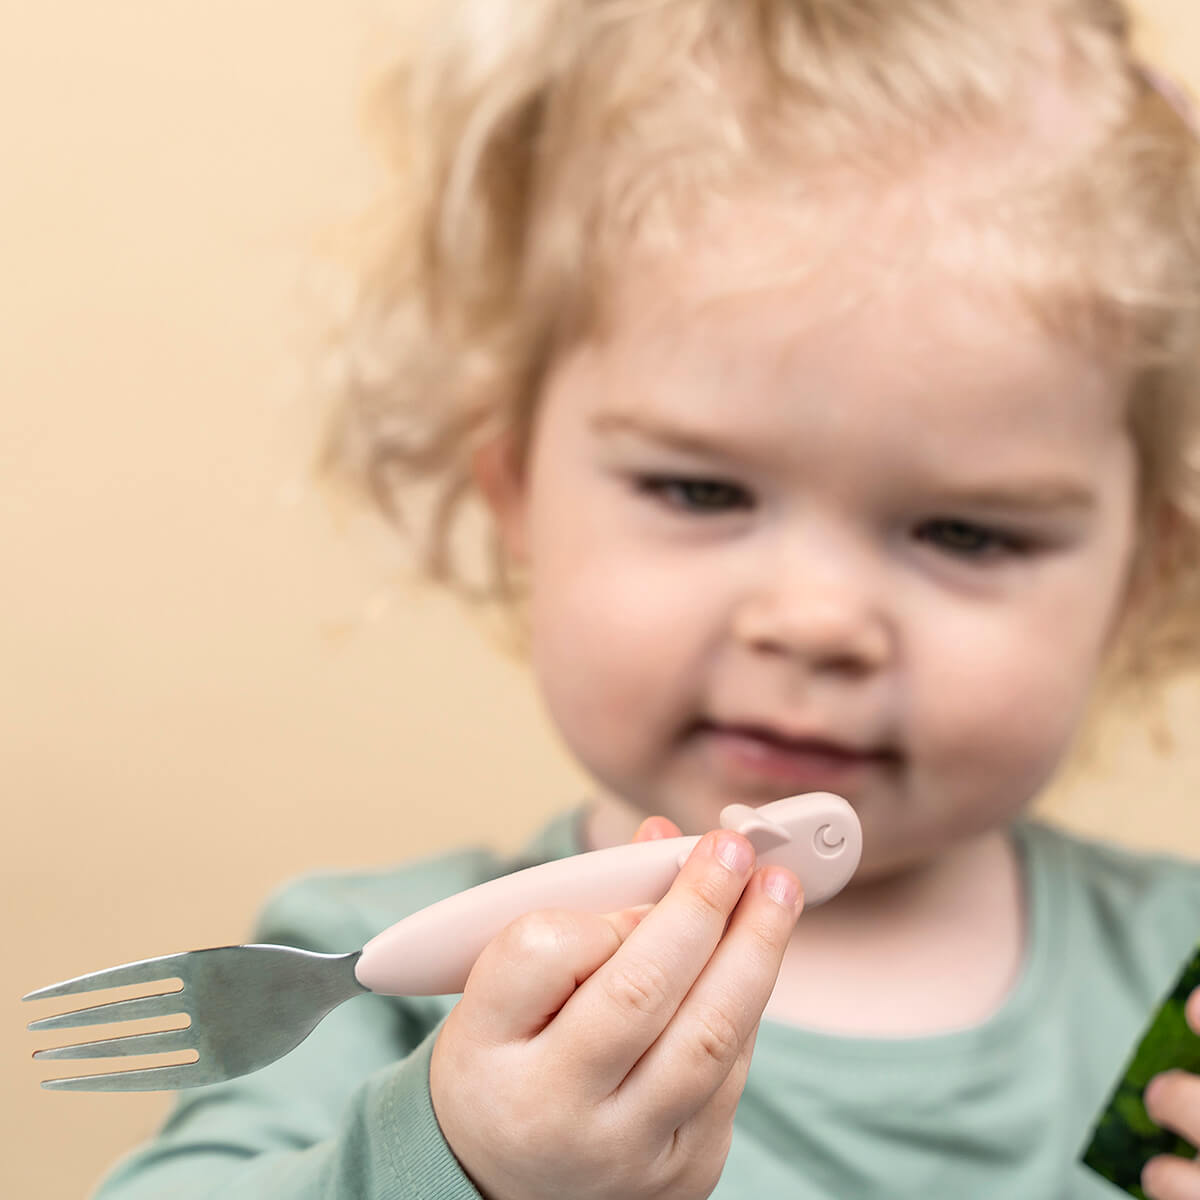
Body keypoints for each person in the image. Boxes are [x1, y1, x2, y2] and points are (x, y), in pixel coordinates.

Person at [93, 0, 1200, 1196]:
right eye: (701, 490)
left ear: (1146, 572)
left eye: (965, 531)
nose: (815, 621)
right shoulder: (380, 989)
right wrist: (458, 1161)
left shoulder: (1178, 982)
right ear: (516, 487)